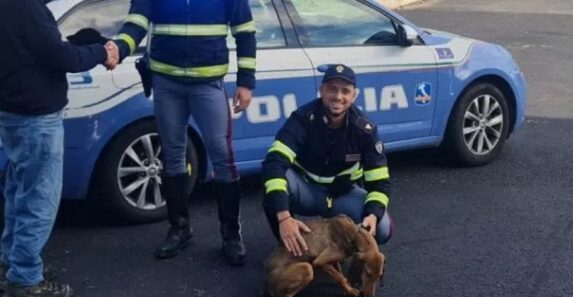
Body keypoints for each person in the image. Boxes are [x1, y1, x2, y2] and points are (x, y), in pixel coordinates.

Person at [112, 0, 256, 265]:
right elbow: (137, 22)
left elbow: (245, 32)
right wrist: (117, 49)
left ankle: (231, 235)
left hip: (208, 85)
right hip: (167, 84)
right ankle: (179, 229)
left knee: (223, 156)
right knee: (172, 155)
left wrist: (246, 82)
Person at [0, 0, 119, 297]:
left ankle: (13, 264)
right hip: (35, 116)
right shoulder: (26, 7)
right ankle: (25, 280)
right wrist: (101, 51)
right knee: (39, 197)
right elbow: (60, 57)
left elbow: (34, 48)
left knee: (19, 191)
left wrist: (78, 43)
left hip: (14, 111)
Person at [262, 64, 393, 258]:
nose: (338, 97)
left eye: (345, 91)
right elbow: (274, 163)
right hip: (306, 192)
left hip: (343, 194)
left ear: (354, 96)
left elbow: (380, 182)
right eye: (332, 89)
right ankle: (288, 244)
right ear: (321, 90)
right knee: (274, 184)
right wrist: (284, 217)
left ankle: (340, 251)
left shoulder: (364, 129)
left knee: (383, 229)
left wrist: (372, 215)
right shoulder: (302, 119)